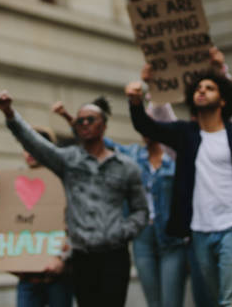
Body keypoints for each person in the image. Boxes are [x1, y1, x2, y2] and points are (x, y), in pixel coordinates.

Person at [126, 69, 232, 307]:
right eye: (199, 88)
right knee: (212, 300)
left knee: (231, 301)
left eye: (209, 88)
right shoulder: (184, 135)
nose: (202, 91)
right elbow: (147, 126)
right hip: (199, 232)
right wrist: (136, 101)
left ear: (223, 100)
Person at [0, 90, 148, 307]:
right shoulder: (69, 160)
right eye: (80, 120)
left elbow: (141, 210)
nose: (84, 123)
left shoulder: (126, 167)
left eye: (90, 120)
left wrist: (123, 232)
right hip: (82, 257)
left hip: (115, 255)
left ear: (103, 125)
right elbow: (35, 144)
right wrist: (10, 113)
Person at [53, 98, 186, 307]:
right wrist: (70, 118)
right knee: (154, 301)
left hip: (170, 237)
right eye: (144, 125)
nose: (147, 130)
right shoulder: (132, 155)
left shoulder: (174, 157)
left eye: (152, 124)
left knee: (171, 302)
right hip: (143, 238)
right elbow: (97, 141)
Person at [0, 124, 73, 307]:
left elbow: (76, 223)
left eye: (34, 146)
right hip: (27, 277)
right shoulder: (15, 181)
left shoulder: (65, 181)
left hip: (58, 275)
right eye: (25, 146)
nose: (29, 151)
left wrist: (63, 257)